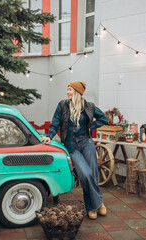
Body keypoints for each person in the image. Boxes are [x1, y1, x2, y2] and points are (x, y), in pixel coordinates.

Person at [40, 81, 108, 220]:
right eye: (67, 89)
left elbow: (103, 118)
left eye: (70, 90)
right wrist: (49, 136)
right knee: (86, 174)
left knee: (93, 174)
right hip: (71, 145)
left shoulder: (88, 106)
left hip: (86, 142)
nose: (67, 92)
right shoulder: (63, 105)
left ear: (77, 92)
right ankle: (98, 203)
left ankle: (91, 207)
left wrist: (91, 127)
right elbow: (55, 122)